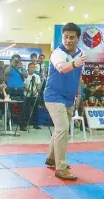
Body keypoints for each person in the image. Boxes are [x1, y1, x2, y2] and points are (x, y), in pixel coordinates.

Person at [44, 22, 86, 180]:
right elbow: (62, 68)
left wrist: (78, 96)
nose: (68, 40)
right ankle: (60, 168)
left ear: (78, 38)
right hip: (53, 96)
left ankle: (51, 158)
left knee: (60, 129)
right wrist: (75, 63)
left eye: (72, 37)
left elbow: (79, 77)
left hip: (69, 98)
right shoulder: (57, 53)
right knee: (63, 127)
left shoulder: (80, 53)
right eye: (65, 37)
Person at [21, 62, 42, 131]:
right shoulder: (25, 76)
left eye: (33, 67)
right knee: (26, 111)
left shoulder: (37, 76)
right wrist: (29, 91)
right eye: (30, 67)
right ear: (28, 68)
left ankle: (35, 125)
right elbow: (23, 86)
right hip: (27, 95)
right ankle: (24, 125)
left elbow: (39, 85)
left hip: (35, 95)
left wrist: (36, 91)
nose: (32, 68)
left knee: (35, 111)